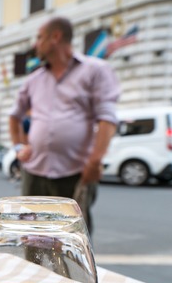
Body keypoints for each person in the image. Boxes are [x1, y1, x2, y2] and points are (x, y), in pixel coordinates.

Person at [9, 17, 120, 234]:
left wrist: (95, 161)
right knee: (32, 234)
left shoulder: (95, 71)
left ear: (55, 37)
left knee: (73, 238)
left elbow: (107, 118)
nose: (36, 44)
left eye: (39, 37)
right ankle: (34, 269)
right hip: (35, 172)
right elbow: (14, 116)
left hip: (76, 172)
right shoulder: (34, 80)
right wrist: (18, 147)